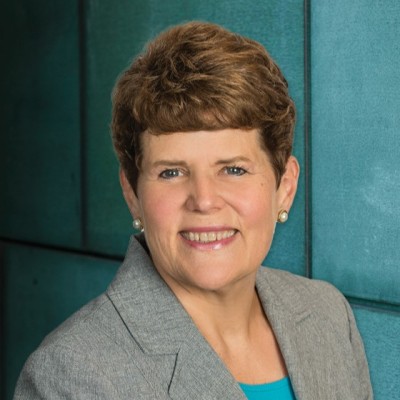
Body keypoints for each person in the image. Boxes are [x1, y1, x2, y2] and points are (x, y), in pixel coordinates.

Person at [14, 22, 372, 399]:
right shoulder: (70, 374)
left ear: (285, 188)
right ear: (132, 193)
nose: (203, 200)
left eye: (233, 169)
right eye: (171, 172)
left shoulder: (328, 315)